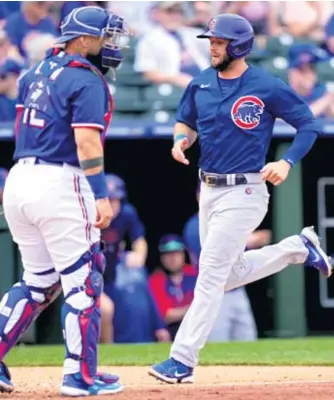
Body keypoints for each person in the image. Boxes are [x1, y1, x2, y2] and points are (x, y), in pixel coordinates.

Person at [148, 13, 332, 384]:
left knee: (210, 276)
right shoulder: (200, 82)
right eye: (211, 40)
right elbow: (186, 120)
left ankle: (181, 359)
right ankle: (298, 248)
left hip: (246, 190)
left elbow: (308, 125)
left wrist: (286, 160)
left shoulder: (265, 84)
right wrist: (180, 139)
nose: (212, 45)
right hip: (209, 190)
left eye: (219, 41)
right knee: (224, 275)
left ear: (239, 45)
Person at [0, 6, 129, 397]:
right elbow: (86, 142)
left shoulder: (34, 73)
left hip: (20, 179)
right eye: (105, 37)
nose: (111, 44)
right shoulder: (86, 80)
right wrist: (101, 197)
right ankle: (79, 376)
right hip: (59, 181)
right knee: (84, 283)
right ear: (84, 39)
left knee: (39, 281)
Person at [183, 183, 271, 342]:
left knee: (248, 341)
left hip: (238, 291)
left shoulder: (229, 220)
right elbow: (214, 253)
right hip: (215, 293)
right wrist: (247, 241)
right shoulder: (194, 226)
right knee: (218, 344)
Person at [99, 173, 148, 343]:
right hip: (89, 274)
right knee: (105, 309)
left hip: (111, 272)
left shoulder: (126, 214)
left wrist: (138, 255)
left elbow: (139, 241)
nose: (112, 205)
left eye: (115, 200)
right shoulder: (89, 216)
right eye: (108, 200)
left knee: (134, 286)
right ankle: (105, 351)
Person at [149, 234, 197, 340]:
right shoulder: (156, 279)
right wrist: (192, 310)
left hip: (195, 328)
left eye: (177, 253)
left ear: (184, 255)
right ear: (161, 258)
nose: (173, 258)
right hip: (170, 330)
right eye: (168, 254)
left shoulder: (195, 274)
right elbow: (167, 315)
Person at [287, 43, 334, 118]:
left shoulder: (320, 91)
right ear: (292, 72)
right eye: (303, 70)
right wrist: (326, 100)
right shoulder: (280, 93)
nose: (310, 75)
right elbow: (294, 120)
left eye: (312, 68)